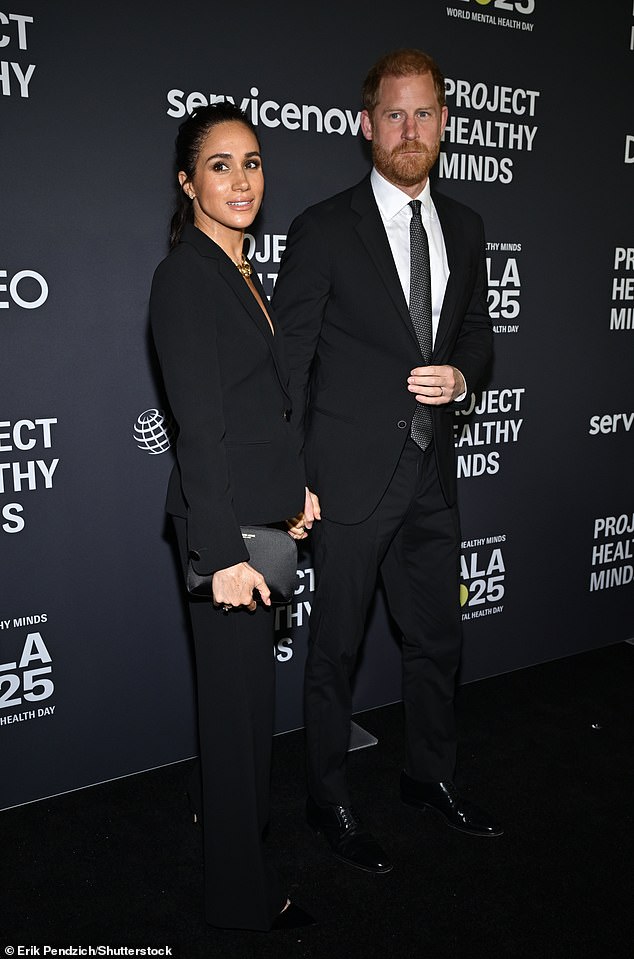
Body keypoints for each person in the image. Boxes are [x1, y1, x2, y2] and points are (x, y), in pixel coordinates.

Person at [272, 49, 502, 874]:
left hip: (432, 477)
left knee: (437, 642)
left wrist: (464, 375)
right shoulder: (324, 227)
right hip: (345, 485)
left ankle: (428, 776)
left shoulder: (467, 227)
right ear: (366, 124)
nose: (410, 131)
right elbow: (288, 364)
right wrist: (289, 476)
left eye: (425, 114)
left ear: (445, 122)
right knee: (334, 650)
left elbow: (477, 333)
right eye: (394, 115)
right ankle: (326, 796)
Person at [149, 103, 316, 931]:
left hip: (258, 520)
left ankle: (230, 838)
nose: (241, 179)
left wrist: (296, 491)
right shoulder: (185, 277)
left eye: (251, 162)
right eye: (219, 165)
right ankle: (239, 898)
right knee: (237, 717)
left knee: (248, 711)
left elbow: (263, 410)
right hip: (226, 539)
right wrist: (221, 556)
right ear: (188, 182)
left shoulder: (242, 272)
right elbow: (200, 428)